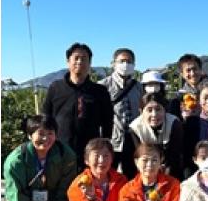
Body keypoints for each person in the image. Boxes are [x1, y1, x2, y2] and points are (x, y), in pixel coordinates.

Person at [43, 42, 113, 170]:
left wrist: (104, 146)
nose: (80, 61)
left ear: (90, 63)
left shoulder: (99, 91)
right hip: (60, 149)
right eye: (76, 58)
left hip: (90, 152)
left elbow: (108, 121)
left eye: (84, 58)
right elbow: (46, 117)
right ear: (68, 61)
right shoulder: (56, 88)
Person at [98, 48, 142, 177]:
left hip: (133, 140)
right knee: (108, 175)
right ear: (113, 64)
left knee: (131, 176)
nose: (125, 64)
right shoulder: (102, 86)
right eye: (122, 61)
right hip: (111, 140)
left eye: (129, 61)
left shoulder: (139, 87)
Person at [129, 93, 184, 180]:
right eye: (149, 110)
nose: (154, 114)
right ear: (141, 111)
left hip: (169, 168)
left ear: (165, 110)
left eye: (158, 109)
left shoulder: (174, 124)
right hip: (145, 169)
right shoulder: (135, 128)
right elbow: (137, 158)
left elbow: (174, 156)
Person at [169, 54, 207, 119]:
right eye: (188, 70)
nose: (192, 73)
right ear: (182, 74)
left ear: (200, 70)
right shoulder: (178, 98)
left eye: (195, 69)